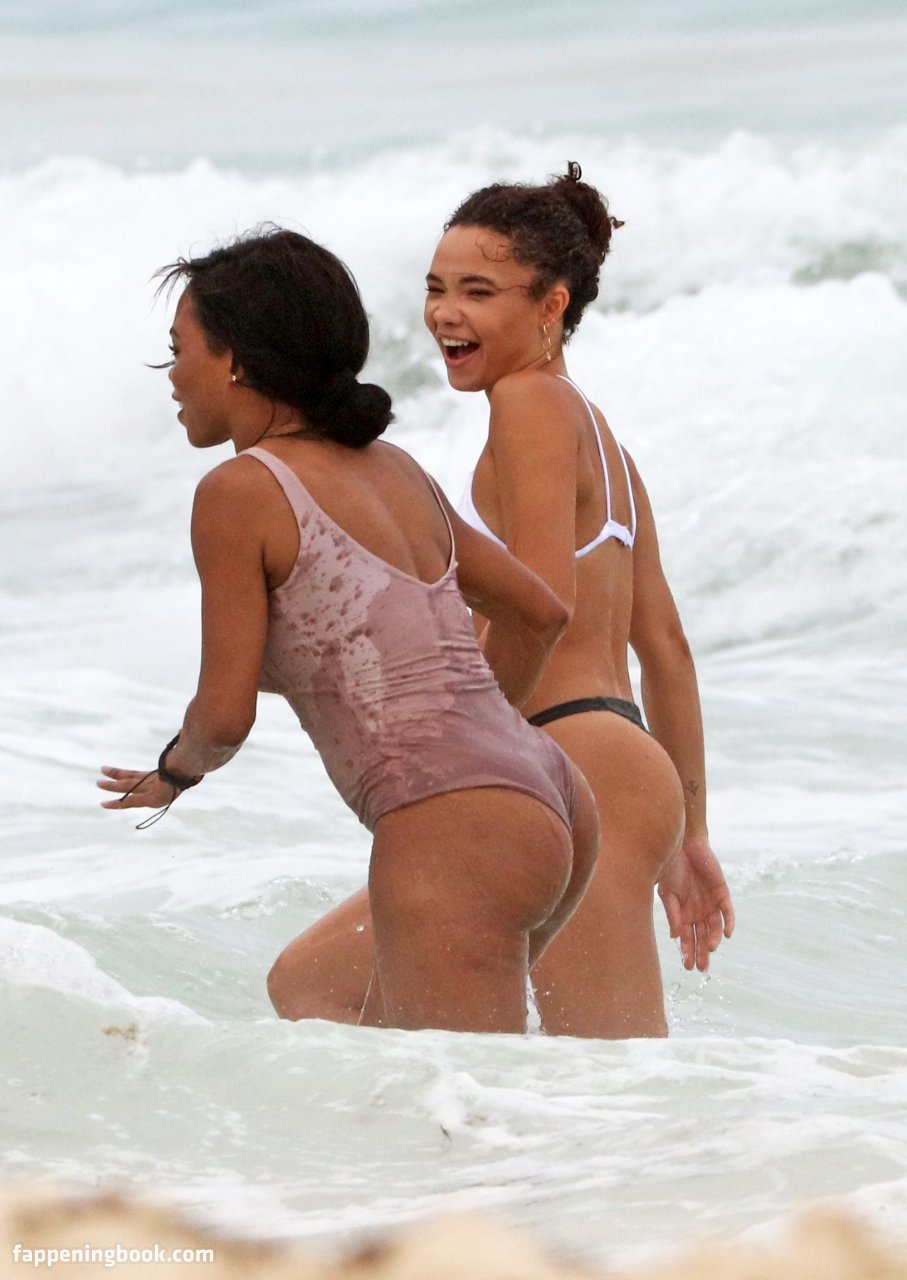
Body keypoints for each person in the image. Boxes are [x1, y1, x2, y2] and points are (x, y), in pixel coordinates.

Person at [268, 167, 735, 1038]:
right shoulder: (606, 443)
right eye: (436, 288)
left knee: (605, 1082)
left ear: (551, 304)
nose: (446, 313)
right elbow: (665, 648)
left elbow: (539, 604)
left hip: (576, 760)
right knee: (316, 983)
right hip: (618, 761)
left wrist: (458, 749)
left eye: (478, 292)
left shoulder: (529, 404)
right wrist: (689, 833)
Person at [97, 227, 599, 1035]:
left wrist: (173, 773)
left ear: (234, 359)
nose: (172, 377)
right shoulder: (396, 470)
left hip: (458, 820)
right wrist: (481, 746)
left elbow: (222, 718)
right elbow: (539, 612)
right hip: (552, 794)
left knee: (465, 1106)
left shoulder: (240, 492)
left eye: (178, 351)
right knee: (313, 991)